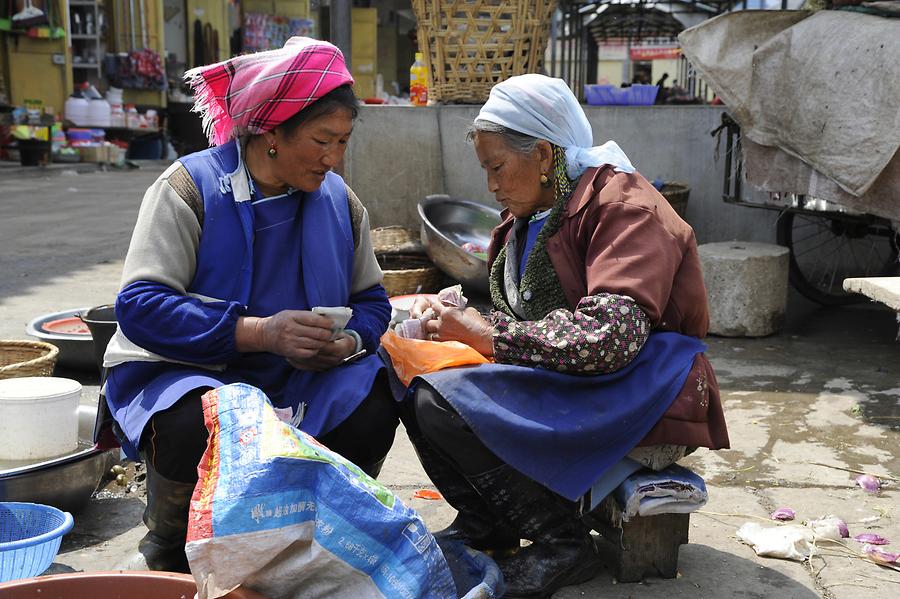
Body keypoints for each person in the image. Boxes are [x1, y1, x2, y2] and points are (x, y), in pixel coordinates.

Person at [393, 74, 729, 598]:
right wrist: (461, 321)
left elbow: (609, 336)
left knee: (445, 399)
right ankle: (491, 525)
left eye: (497, 167)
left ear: (545, 155)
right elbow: (526, 315)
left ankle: (562, 542)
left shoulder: (625, 208)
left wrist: (491, 336)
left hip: (643, 384)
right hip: (578, 375)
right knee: (407, 379)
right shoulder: (525, 219)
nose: (492, 186)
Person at [102, 37, 397, 572]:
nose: (334, 158)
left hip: (299, 378)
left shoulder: (341, 204)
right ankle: (172, 542)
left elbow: (371, 300)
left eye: (343, 141)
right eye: (321, 140)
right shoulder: (188, 188)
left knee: (377, 394)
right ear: (271, 133)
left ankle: (328, 524)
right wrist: (261, 333)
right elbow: (141, 306)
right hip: (193, 373)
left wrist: (348, 341)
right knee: (202, 423)